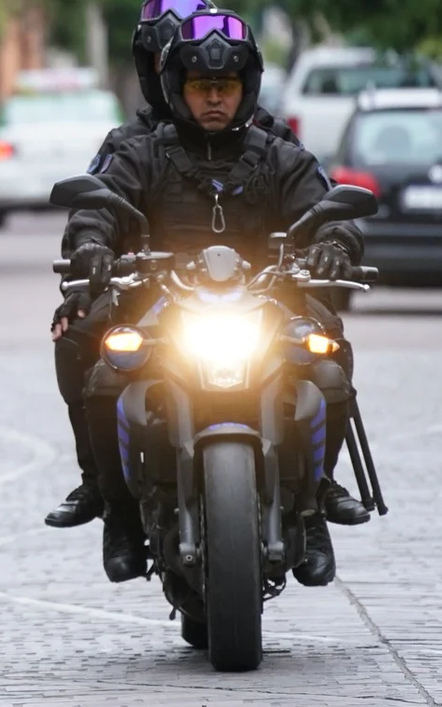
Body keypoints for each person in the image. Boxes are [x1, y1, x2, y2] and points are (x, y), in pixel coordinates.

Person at [60, 8, 363, 588]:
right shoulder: (142, 152)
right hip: (162, 306)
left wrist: (334, 242)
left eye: (225, 86)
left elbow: (327, 207)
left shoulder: (278, 154)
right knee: (105, 376)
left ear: (246, 88)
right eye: (202, 86)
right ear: (179, 88)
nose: (215, 99)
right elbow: (96, 206)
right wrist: (92, 244)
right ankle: (120, 516)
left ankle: (313, 502)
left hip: (267, 302)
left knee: (328, 362)